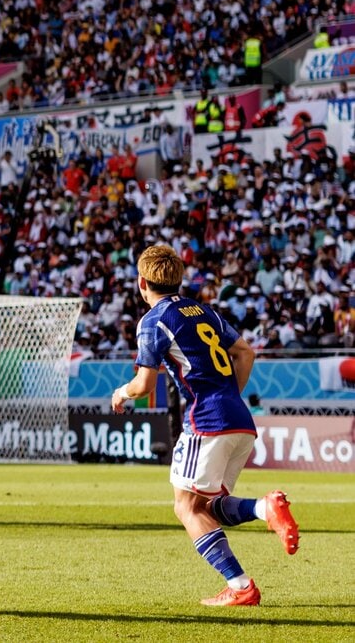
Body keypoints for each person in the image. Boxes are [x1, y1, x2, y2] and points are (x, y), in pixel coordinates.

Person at [110, 245, 300, 606]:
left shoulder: (153, 321)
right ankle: (265, 509)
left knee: (186, 508)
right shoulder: (204, 311)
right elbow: (245, 352)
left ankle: (241, 586)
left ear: (142, 283)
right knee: (210, 506)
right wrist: (229, 397)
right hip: (239, 419)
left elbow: (144, 385)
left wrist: (121, 393)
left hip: (207, 421)